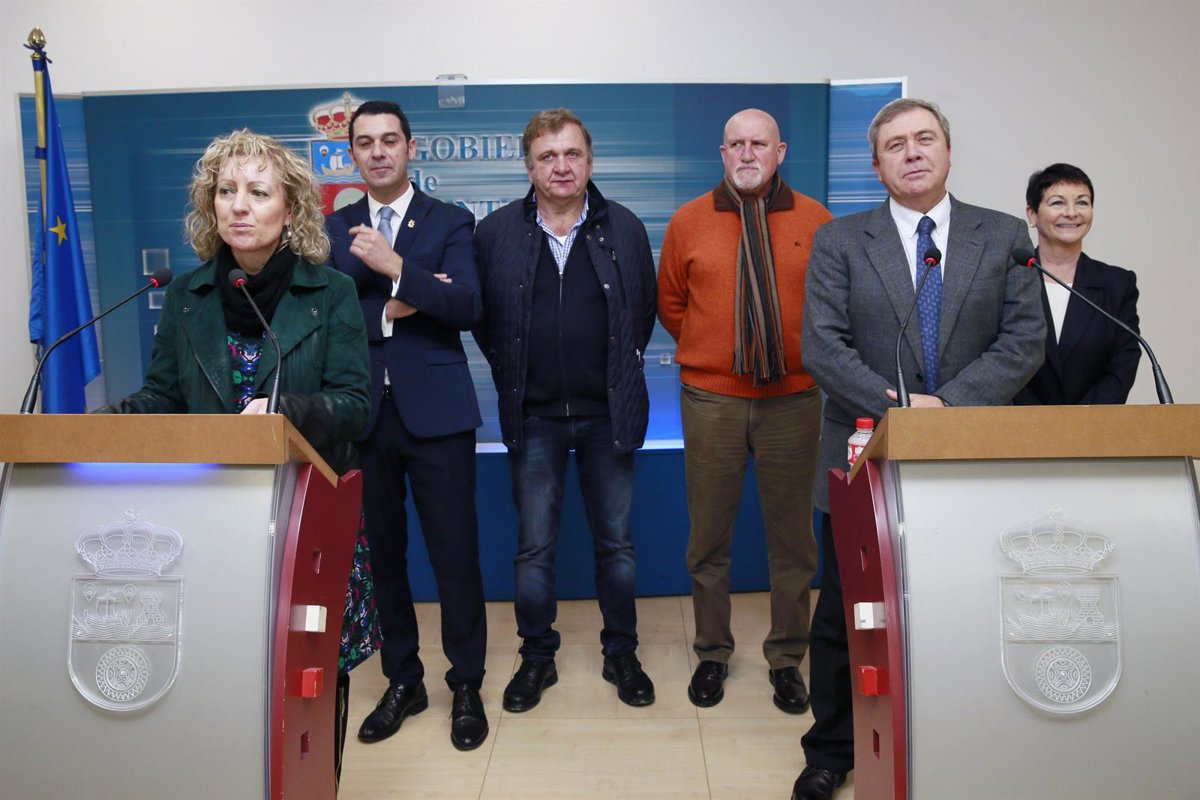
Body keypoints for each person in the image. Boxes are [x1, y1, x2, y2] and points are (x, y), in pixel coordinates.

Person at [95, 128, 373, 781]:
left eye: (258, 192)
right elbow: (164, 397)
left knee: (304, 691)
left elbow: (355, 404)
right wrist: (99, 426)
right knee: (219, 679)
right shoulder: (186, 296)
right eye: (225, 192)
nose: (239, 206)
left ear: (291, 208)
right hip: (209, 521)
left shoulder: (330, 292)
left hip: (303, 519)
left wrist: (284, 412)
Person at [795, 98, 1045, 800]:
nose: (912, 153)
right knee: (849, 614)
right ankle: (832, 749)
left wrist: (947, 408)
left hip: (969, 453)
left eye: (925, 139)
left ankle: (963, 734)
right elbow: (823, 345)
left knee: (965, 601)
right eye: (896, 144)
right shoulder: (841, 240)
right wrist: (901, 411)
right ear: (877, 166)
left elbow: (1024, 340)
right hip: (863, 452)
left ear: (948, 151)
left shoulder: (1004, 236)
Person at [473, 108, 658, 711]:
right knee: (533, 550)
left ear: (590, 162)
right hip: (535, 416)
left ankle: (621, 652)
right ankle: (536, 658)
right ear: (529, 167)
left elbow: (642, 314)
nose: (561, 166)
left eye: (572, 154)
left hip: (609, 414)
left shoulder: (625, 227)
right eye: (547, 156)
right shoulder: (495, 233)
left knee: (617, 546)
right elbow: (486, 323)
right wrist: (518, 374)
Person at [326, 101, 489, 751]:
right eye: (365, 142)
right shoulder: (332, 229)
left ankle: (467, 681)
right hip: (365, 415)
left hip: (438, 415)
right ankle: (404, 680)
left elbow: (467, 305)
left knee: (455, 554)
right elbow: (332, 321)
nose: (378, 152)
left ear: (410, 147)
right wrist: (403, 306)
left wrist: (397, 270)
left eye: (389, 140)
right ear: (352, 154)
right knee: (384, 558)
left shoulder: (451, 220)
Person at [657, 108, 829, 715]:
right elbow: (672, 305)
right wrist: (720, 354)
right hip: (713, 398)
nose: (747, 153)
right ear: (722, 152)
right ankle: (712, 652)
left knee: (793, 541)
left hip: (794, 399)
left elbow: (830, 307)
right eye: (736, 144)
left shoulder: (815, 219)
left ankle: (786, 657)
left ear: (780, 152)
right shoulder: (688, 221)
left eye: (759, 143)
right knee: (708, 536)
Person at [1014, 163, 1140, 405]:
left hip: (1094, 422)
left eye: (1082, 202)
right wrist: (1037, 420)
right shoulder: (1010, 280)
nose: (1071, 213)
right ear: (1032, 214)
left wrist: (1080, 420)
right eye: (1057, 203)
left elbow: (1123, 362)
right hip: (1020, 422)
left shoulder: (1117, 284)